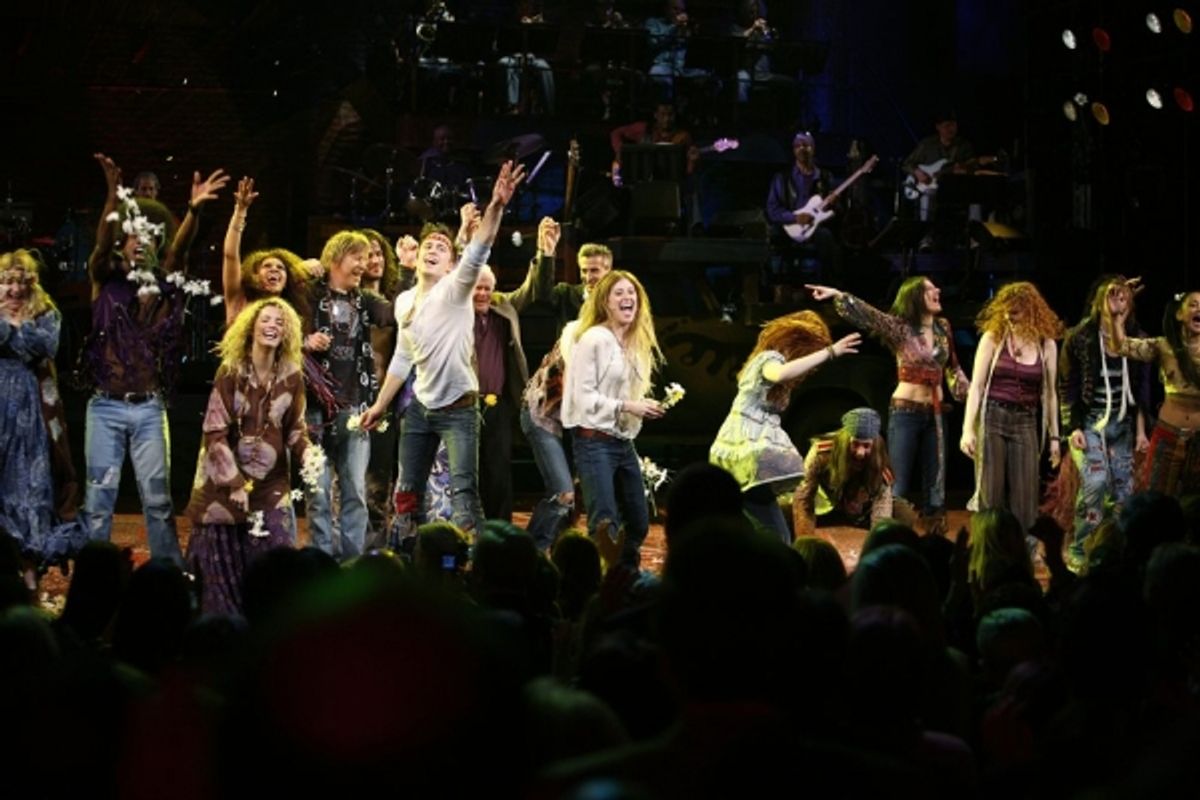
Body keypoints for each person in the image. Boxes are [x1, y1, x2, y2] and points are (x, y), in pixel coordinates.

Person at [362, 160, 527, 541]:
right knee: (406, 492)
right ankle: (407, 557)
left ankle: (480, 561)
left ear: (452, 262)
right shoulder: (404, 301)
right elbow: (403, 359)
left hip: (459, 409)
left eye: (441, 246)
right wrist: (379, 406)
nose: (433, 249)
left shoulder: (456, 291)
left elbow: (481, 246)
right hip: (420, 408)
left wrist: (497, 206)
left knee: (465, 495)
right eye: (428, 245)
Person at [82, 153, 229, 565]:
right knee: (99, 498)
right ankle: (94, 574)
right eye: (135, 234)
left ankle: (167, 575)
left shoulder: (164, 285)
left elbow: (179, 252)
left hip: (148, 407)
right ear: (122, 239)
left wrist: (194, 211)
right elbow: (99, 241)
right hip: (105, 405)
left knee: (158, 500)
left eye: (152, 236)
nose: (144, 240)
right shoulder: (104, 279)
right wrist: (113, 193)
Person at [808, 278, 970, 535]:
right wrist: (838, 294)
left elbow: (953, 369)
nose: (938, 291)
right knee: (898, 482)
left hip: (936, 415)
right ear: (915, 296)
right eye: (930, 289)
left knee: (936, 485)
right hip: (906, 412)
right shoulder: (901, 328)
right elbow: (869, 316)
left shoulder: (943, 327)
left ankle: (934, 542)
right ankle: (891, 539)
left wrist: (973, 397)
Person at [184, 298, 312, 615]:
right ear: (251, 327)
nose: (272, 326)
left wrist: (307, 452)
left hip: (270, 483)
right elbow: (214, 431)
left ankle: (272, 630)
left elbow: (296, 427)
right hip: (223, 484)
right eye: (266, 320)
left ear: (287, 333)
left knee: (277, 558)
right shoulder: (230, 371)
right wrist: (235, 483)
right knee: (222, 576)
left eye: (279, 322)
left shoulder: (293, 375)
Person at [710, 310, 861, 541]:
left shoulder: (770, 365)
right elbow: (779, 374)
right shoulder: (769, 359)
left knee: (758, 524)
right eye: (809, 354)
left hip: (754, 454)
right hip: (748, 451)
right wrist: (829, 352)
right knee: (777, 534)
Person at [561, 270, 667, 567]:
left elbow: (627, 393)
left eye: (631, 293)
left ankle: (625, 576)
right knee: (604, 522)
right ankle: (603, 584)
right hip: (593, 440)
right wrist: (628, 406)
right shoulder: (594, 338)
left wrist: (642, 405)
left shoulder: (635, 342)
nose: (627, 298)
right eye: (618, 293)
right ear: (605, 302)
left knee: (638, 520)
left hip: (623, 441)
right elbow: (584, 398)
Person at [302, 230, 394, 561]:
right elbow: (273, 299)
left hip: (355, 408)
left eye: (366, 257)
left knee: (355, 490)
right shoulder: (309, 295)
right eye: (357, 257)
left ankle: (352, 563)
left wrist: (413, 274)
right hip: (314, 409)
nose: (363, 264)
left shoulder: (365, 300)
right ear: (336, 258)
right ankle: (322, 561)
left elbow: (396, 312)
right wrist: (304, 342)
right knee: (319, 492)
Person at [0, 250, 88, 576]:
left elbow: (44, 346)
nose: (14, 289)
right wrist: (12, 327)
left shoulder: (44, 311)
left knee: (27, 484)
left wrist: (12, 329)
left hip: (30, 415)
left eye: (21, 282)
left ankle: (28, 570)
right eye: (7, 282)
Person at [1058, 275, 1152, 569]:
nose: (1118, 297)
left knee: (1123, 492)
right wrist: (1072, 428)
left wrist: (1140, 431)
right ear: (1098, 299)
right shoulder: (1081, 337)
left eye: (1123, 295)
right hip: (1092, 425)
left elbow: (1141, 391)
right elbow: (1068, 386)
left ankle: (1112, 548)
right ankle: (1081, 545)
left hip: (1122, 425)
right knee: (1096, 483)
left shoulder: (1136, 337)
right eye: (1111, 293)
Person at [522, 242, 612, 548]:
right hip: (546, 408)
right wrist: (546, 254)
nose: (589, 277)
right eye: (584, 271)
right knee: (563, 492)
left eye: (595, 271)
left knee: (573, 492)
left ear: (609, 272)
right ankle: (531, 551)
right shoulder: (572, 317)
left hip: (575, 410)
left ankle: (559, 550)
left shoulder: (615, 315)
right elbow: (541, 295)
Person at [960, 281, 1065, 536]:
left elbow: (1050, 393)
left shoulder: (1045, 344)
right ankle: (988, 547)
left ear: (1030, 310)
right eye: (1006, 312)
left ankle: (1024, 550)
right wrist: (967, 430)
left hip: (1025, 420)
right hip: (993, 416)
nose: (1009, 317)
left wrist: (1054, 436)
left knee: (1025, 493)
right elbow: (976, 387)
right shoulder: (993, 338)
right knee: (991, 491)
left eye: (1015, 313)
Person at [472, 216, 559, 521]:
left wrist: (545, 253)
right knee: (466, 473)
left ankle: (500, 531)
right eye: (476, 289)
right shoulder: (454, 314)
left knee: (497, 471)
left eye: (486, 289)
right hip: (460, 406)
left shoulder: (503, 307)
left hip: (498, 405)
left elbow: (530, 291)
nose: (481, 294)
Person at [1111, 287, 1200, 497]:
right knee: (1156, 501)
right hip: (1167, 437)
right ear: (1179, 314)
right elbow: (1121, 346)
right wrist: (1117, 317)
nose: (1199, 309)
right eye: (1194, 304)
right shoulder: (1164, 346)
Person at [221, 176, 310, 326]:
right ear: (254, 274)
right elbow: (230, 255)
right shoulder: (239, 300)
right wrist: (240, 212)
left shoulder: (291, 315)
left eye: (280, 268)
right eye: (267, 266)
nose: (274, 269)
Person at [793, 408, 895, 537]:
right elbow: (803, 497)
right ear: (845, 441)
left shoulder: (878, 460)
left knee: (905, 515)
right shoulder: (822, 454)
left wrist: (877, 545)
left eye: (866, 446)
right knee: (785, 511)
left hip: (863, 512)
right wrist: (805, 539)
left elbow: (882, 510)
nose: (860, 453)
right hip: (829, 507)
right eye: (855, 444)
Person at [766, 131, 838, 289]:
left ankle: (827, 289)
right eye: (797, 146)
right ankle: (778, 287)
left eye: (806, 145)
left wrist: (833, 205)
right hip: (788, 227)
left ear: (813, 148)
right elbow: (772, 209)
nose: (802, 149)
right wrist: (794, 218)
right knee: (773, 235)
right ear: (793, 150)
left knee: (827, 237)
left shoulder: (825, 177)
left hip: (816, 228)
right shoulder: (782, 178)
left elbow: (835, 211)